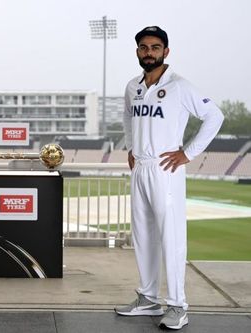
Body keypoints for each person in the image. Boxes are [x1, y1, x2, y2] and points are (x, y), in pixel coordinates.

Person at [114, 26, 224, 330]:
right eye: (144, 47)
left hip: (167, 169)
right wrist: (131, 146)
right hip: (141, 167)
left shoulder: (179, 86)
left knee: (171, 237)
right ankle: (148, 298)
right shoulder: (132, 87)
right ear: (138, 51)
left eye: (156, 47)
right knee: (143, 236)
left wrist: (188, 153)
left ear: (166, 51)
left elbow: (215, 116)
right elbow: (126, 115)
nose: (149, 52)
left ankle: (178, 305)